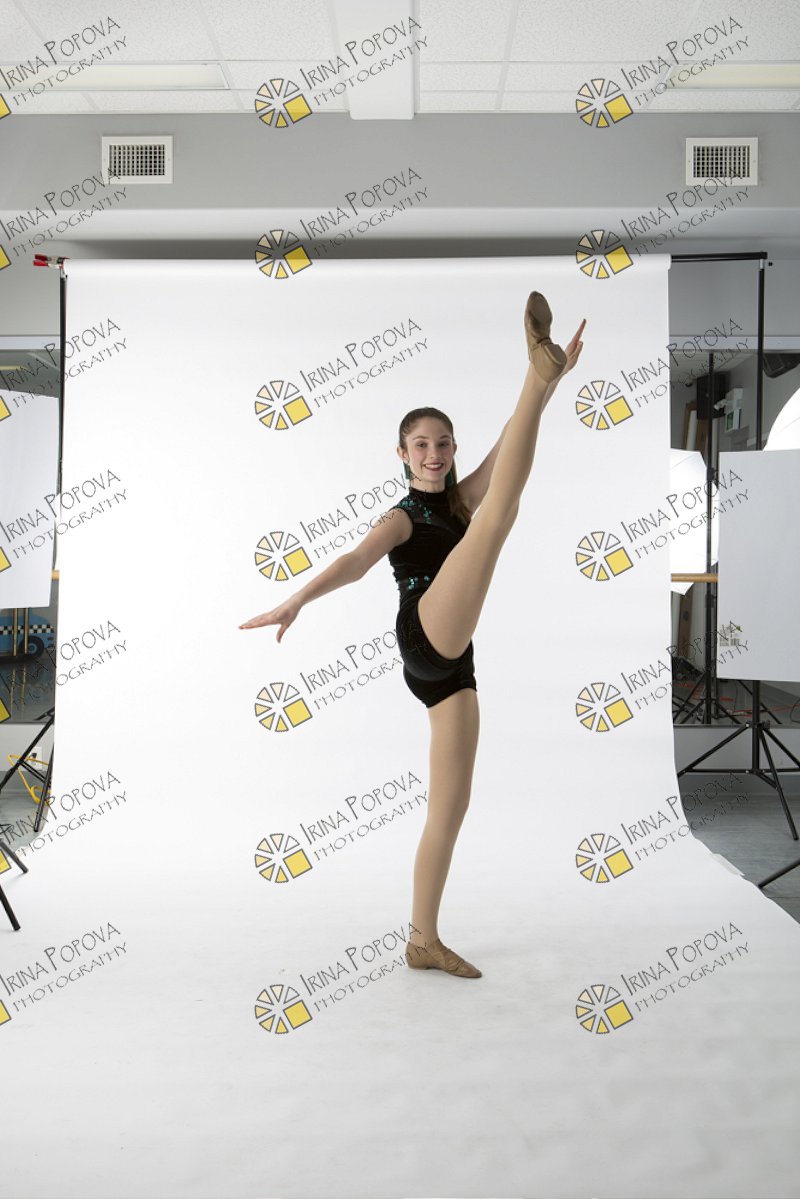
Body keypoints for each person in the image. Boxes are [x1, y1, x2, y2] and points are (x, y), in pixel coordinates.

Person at [240, 292, 586, 979]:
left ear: (453, 451)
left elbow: (511, 441)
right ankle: (536, 368)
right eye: (421, 445)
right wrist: (297, 598)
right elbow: (356, 561)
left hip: (452, 665)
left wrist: (551, 385)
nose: (433, 453)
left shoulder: (459, 497)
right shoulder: (403, 516)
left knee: (449, 808)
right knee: (498, 519)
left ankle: (421, 940)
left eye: (443, 444)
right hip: (424, 632)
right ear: (401, 454)